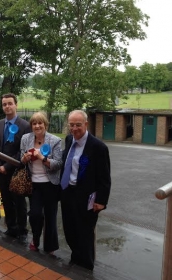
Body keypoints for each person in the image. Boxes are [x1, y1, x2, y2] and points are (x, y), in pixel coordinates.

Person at [60, 110, 111, 270]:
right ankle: (76, 258)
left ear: (86, 124)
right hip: (68, 192)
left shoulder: (98, 147)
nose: (74, 129)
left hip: (86, 197)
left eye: (78, 125)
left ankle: (86, 266)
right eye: (72, 125)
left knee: (85, 233)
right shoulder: (69, 139)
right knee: (69, 229)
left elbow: (104, 177)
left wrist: (101, 201)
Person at [20, 112, 62, 253]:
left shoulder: (55, 140)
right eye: (34, 123)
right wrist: (24, 158)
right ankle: (36, 239)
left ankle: (50, 246)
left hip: (50, 184)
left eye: (40, 123)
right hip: (34, 183)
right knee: (35, 214)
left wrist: (42, 158)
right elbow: (21, 157)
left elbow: (58, 164)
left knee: (50, 216)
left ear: (45, 125)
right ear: (31, 126)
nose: (37, 126)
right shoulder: (26, 138)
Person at [0, 93, 31, 241]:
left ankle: (22, 230)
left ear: (16, 105)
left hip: (17, 170)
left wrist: (7, 166)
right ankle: (11, 227)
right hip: (1, 170)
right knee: (6, 200)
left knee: (19, 202)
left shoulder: (25, 126)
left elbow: (23, 150)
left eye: (10, 103)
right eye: (4, 104)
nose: (7, 106)